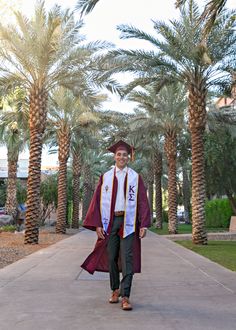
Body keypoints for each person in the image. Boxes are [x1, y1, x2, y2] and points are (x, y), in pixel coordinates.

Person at [81, 140, 151, 311]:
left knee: (127, 258)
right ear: (114, 157)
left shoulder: (135, 177)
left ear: (129, 157)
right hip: (110, 221)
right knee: (111, 256)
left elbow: (142, 201)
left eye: (125, 155)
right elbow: (96, 201)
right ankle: (115, 290)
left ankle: (126, 296)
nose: (122, 157)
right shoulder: (105, 177)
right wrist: (97, 224)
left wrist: (144, 224)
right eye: (119, 154)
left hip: (128, 222)